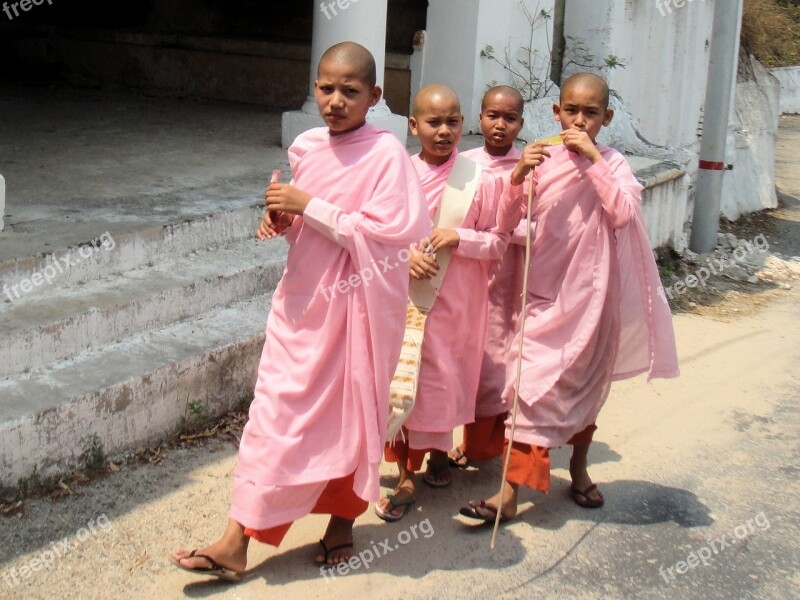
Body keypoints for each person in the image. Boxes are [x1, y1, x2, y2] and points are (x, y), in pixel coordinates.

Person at [171, 41, 430, 580]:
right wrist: (282, 220)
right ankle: (236, 539)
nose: (335, 101)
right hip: (301, 306)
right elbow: (304, 222)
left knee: (349, 414)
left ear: (375, 96)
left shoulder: (387, 155)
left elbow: (393, 239)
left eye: (350, 91)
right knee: (274, 415)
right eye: (326, 88)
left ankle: (341, 521)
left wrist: (308, 205)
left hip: (357, 311)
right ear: (314, 88)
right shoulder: (307, 147)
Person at [461, 73, 679, 523]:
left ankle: (577, 469)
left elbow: (623, 214)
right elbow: (505, 222)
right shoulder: (542, 157)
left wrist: (595, 161)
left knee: (583, 390)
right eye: (572, 111)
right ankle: (509, 492)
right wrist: (519, 175)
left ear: (607, 118)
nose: (579, 121)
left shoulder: (614, 163)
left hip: (592, 300)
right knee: (528, 388)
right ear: (556, 112)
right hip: (541, 294)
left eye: (591, 113)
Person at [375, 84, 514, 521]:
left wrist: (460, 236)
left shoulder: (481, 179)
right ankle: (404, 475)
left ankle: (437, 456)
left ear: (463, 124)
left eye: (452, 122)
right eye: (433, 122)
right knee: (401, 382)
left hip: (458, 307)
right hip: (404, 301)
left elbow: (498, 242)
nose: (443, 131)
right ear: (413, 126)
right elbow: (375, 236)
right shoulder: (397, 175)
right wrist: (405, 255)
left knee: (443, 385)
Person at [448, 85, 530, 470]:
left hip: (508, 279)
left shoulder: (530, 166)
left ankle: (481, 445)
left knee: (496, 362)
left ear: (521, 123)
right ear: (479, 118)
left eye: (510, 118)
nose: (500, 125)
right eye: (493, 116)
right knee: (459, 358)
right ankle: (439, 441)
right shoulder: (462, 163)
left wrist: (507, 233)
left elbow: (541, 224)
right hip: (465, 274)